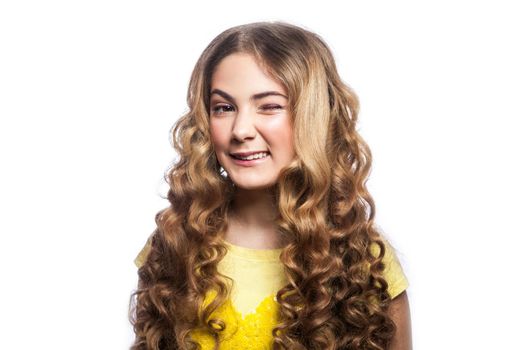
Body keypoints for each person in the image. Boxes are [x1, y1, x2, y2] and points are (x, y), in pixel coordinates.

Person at [129, 21, 412, 350]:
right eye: (224, 107)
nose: (241, 130)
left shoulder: (364, 260)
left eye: (269, 106)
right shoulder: (173, 245)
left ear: (313, 115)